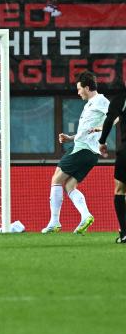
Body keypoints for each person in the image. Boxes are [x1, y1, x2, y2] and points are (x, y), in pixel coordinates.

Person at [42, 71, 109, 235]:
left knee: (56, 179)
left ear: (87, 87)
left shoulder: (101, 100)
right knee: (70, 185)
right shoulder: (89, 105)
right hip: (85, 149)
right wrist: (70, 138)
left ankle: (54, 222)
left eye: (79, 89)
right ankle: (86, 216)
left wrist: (102, 128)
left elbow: (116, 116)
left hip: (84, 149)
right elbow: (86, 130)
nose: (78, 92)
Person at [93, 90, 126, 243]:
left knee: (120, 190)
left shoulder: (121, 97)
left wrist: (102, 141)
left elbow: (110, 118)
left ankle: (125, 233)